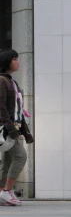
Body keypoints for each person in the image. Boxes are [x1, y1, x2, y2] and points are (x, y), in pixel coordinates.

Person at [0, 49, 33, 206]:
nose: (18, 62)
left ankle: (3, 193)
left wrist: (25, 132)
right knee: (20, 157)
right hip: (7, 130)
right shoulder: (2, 81)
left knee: (7, 163)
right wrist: (12, 130)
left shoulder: (11, 82)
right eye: (14, 59)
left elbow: (17, 109)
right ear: (7, 62)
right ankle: (7, 191)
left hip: (13, 128)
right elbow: (2, 109)